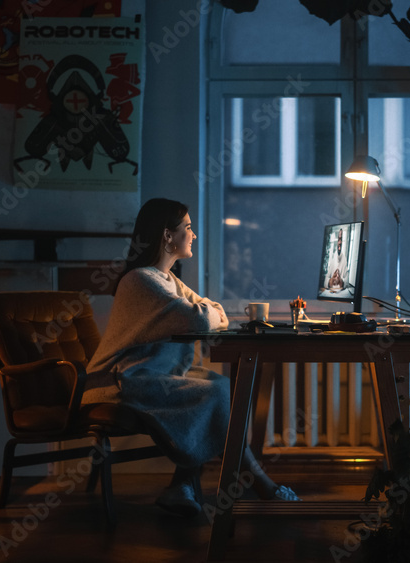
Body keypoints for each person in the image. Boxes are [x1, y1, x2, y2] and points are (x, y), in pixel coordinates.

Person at [82, 198, 299, 518]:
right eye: (188, 227)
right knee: (216, 393)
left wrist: (208, 312)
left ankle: (181, 485)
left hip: (155, 375)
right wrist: (209, 312)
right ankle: (254, 478)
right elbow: (202, 318)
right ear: (167, 235)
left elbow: (212, 312)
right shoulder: (140, 280)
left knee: (223, 387)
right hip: (122, 380)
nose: (193, 234)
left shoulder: (168, 280)